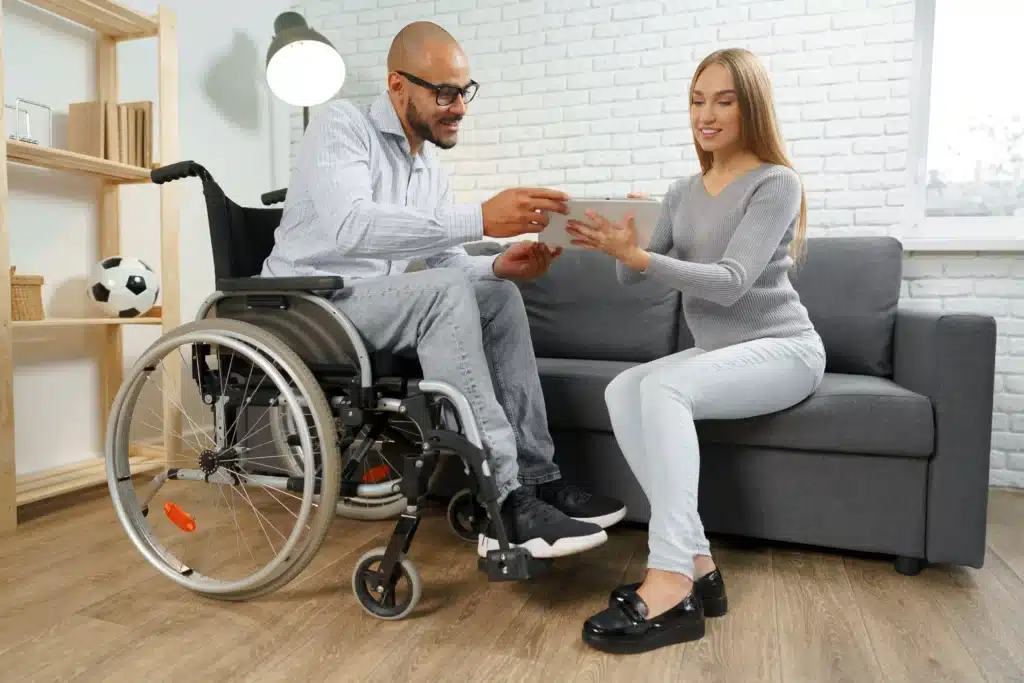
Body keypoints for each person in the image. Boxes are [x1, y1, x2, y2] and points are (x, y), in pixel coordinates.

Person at [261, 21, 626, 561]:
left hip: (369, 304)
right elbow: (353, 227)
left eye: (464, 91)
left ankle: (535, 479)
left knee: (497, 297)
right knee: (439, 293)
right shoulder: (342, 125)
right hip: (313, 306)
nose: (459, 107)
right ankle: (500, 499)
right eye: (445, 92)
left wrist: (501, 267)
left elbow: (446, 263)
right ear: (396, 86)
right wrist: (479, 217)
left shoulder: (427, 165)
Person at [564, 48, 827, 654]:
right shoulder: (683, 190)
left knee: (662, 386)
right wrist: (624, 245)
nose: (706, 115)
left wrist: (641, 256)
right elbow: (636, 278)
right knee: (621, 388)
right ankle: (700, 562)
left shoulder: (775, 183)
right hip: (719, 350)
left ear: (751, 108)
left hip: (783, 348)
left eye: (724, 101)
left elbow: (733, 279)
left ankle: (671, 576)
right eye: (696, 100)